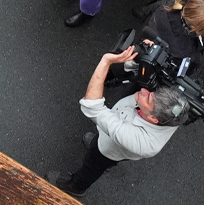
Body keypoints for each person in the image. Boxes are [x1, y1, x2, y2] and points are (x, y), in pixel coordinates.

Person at [45, 45, 192, 195]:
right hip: (116, 140)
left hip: (108, 150)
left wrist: (106, 61)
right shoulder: (173, 110)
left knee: (93, 166)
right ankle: (101, 147)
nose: (143, 90)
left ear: (153, 118)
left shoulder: (141, 142)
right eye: (152, 93)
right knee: (102, 141)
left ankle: (76, 187)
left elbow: (92, 106)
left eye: (147, 98)